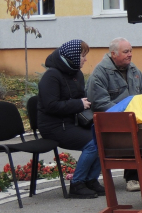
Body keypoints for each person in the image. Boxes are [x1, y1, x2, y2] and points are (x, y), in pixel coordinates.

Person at [87, 37, 142, 191]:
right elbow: (100, 103)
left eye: (131, 51)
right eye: (126, 52)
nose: (130, 55)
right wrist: (125, 114)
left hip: (136, 114)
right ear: (113, 54)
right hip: (113, 120)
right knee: (130, 128)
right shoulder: (100, 73)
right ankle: (132, 178)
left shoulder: (133, 69)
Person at [37, 39, 103, 199]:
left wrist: (85, 103)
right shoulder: (51, 76)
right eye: (82, 55)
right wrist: (79, 104)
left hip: (71, 123)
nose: (85, 59)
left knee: (103, 139)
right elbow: (51, 106)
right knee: (93, 144)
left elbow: (80, 98)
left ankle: (91, 180)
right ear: (72, 57)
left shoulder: (76, 74)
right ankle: (77, 183)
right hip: (54, 127)